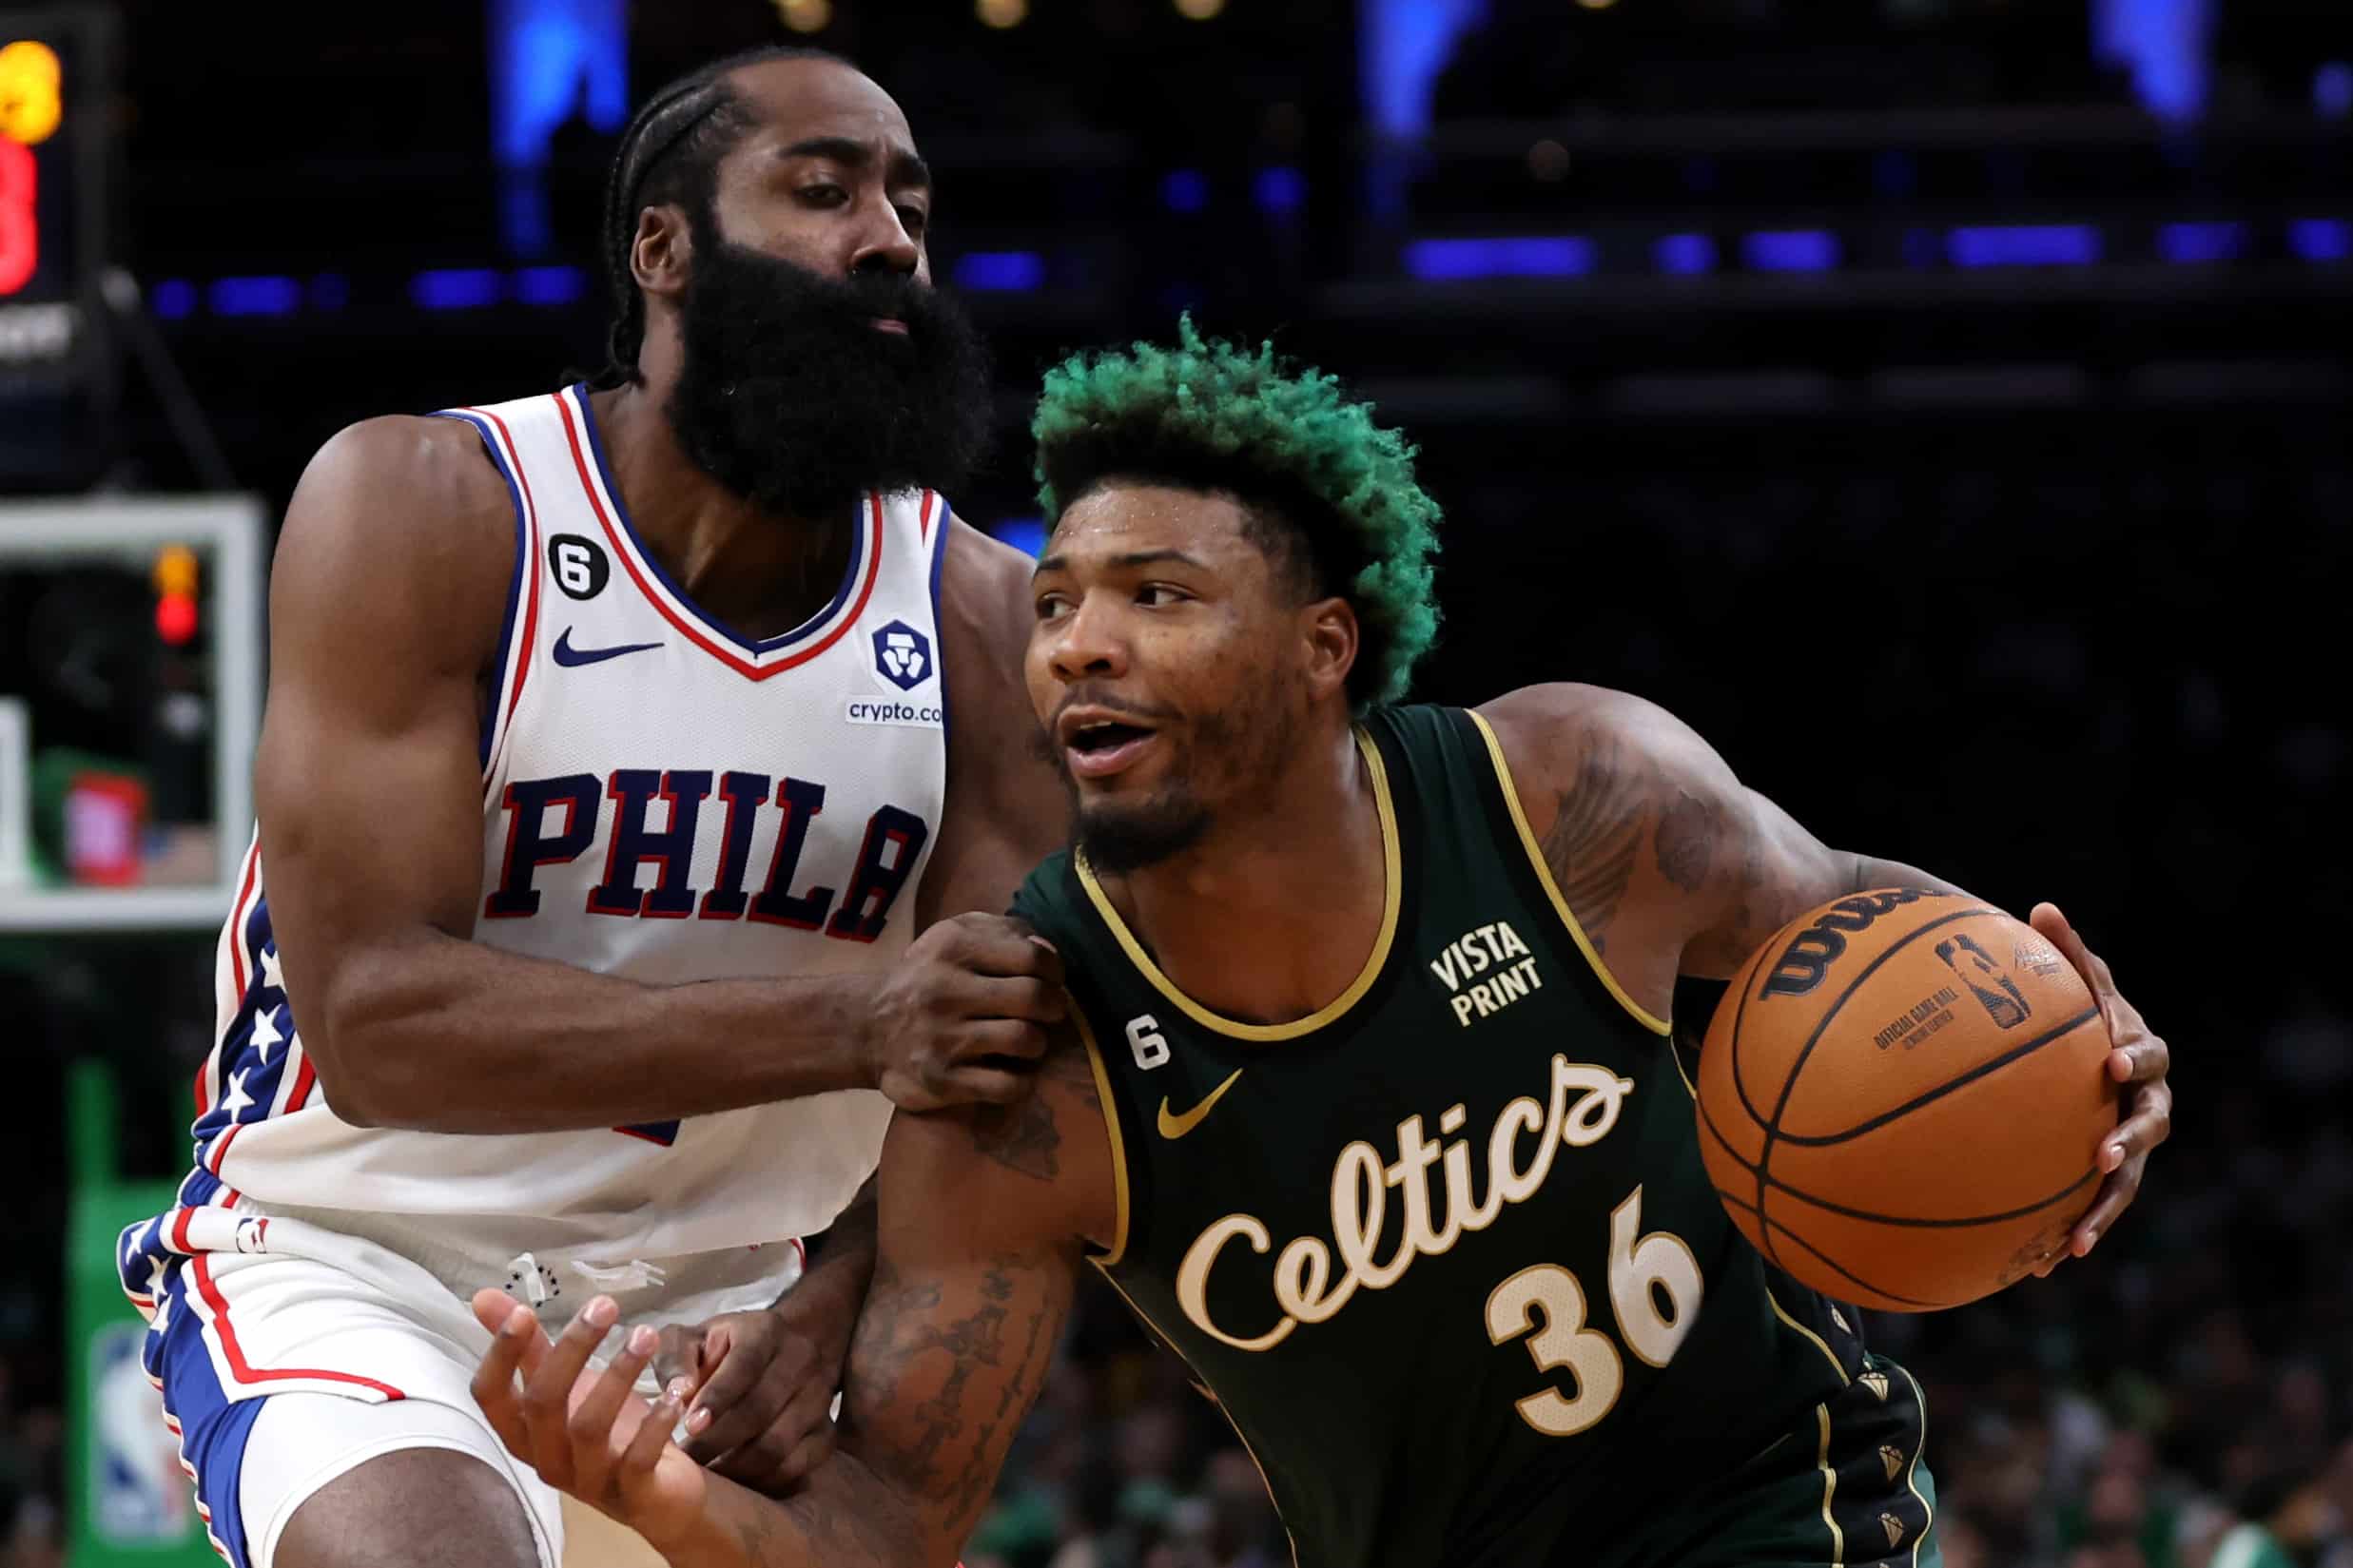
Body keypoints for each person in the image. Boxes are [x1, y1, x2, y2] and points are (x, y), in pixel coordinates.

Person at [469, 324, 2175, 1568]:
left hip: (1770, 1511)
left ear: (1322, 646)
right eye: (1055, 601)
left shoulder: (1571, 795)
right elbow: (892, 1518)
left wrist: (2082, 1050)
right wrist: (661, 1499)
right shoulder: (1029, 1047)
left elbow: (1876, 940)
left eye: (1158, 595)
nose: (1076, 645)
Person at [113, 46, 1067, 1568]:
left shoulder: (977, 616)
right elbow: (377, 1020)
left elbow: (988, 1067)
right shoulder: (433, 504)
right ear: (662, 246)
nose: (888, 234)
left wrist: (832, 1297)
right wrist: (855, 1022)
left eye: (908, 202)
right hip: (365, 1265)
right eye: (821, 189)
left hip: (726, 1322)